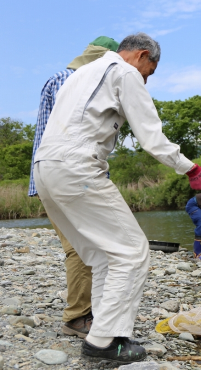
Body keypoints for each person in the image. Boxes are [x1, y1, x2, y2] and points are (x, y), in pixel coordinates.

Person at [33, 32, 201, 363]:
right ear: (142, 55)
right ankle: (103, 343)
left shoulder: (79, 75)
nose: (147, 78)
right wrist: (192, 169)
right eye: (151, 71)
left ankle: (104, 333)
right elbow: (151, 137)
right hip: (77, 168)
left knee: (104, 256)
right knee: (133, 252)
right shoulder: (125, 71)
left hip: (45, 170)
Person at [28, 36, 120, 339]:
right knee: (82, 249)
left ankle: (87, 312)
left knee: (89, 247)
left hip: (57, 177)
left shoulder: (63, 78)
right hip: (70, 178)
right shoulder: (73, 82)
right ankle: (77, 317)